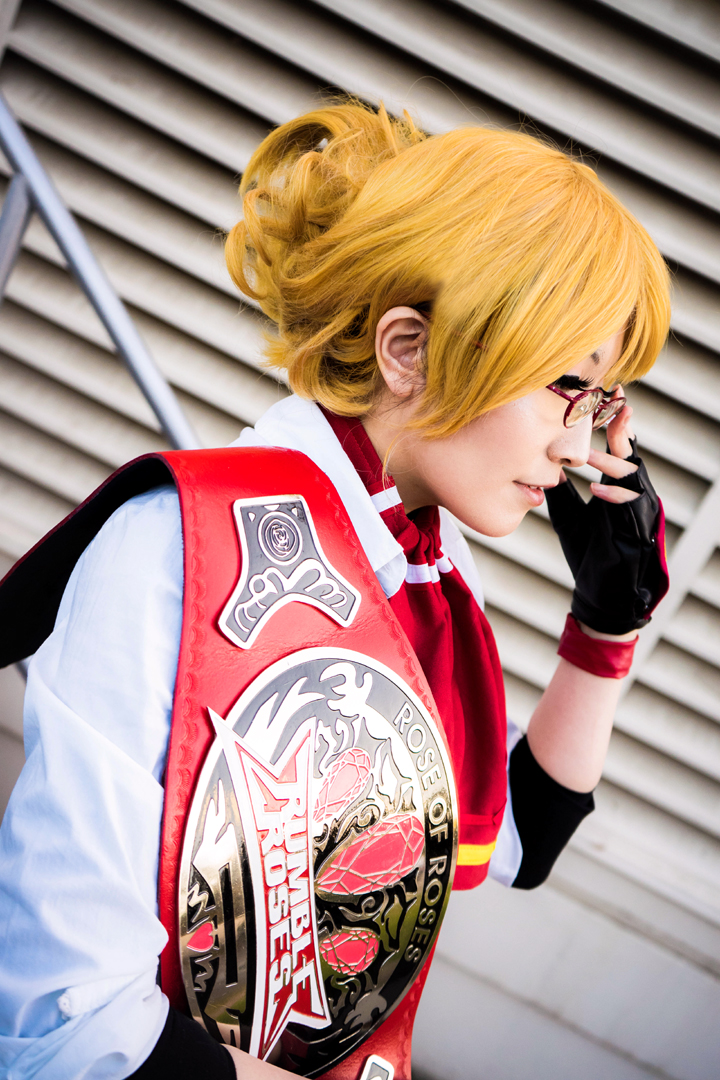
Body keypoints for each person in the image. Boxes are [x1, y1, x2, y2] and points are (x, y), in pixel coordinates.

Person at [0, 101, 670, 1080]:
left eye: (603, 401)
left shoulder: (426, 563)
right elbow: (64, 1031)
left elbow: (514, 839)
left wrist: (608, 628)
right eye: (568, 386)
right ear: (407, 350)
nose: (581, 447)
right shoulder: (177, 546)